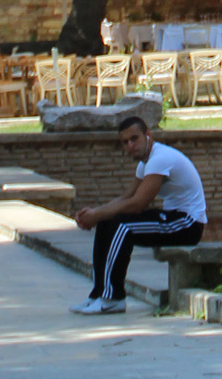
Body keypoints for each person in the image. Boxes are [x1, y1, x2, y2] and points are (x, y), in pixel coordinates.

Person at [72, 114, 206, 313]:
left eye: (134, 139)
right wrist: (96, 214)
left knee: (123, 226)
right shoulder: (145, 163)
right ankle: (98, 294)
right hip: (173, 218)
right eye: (125, 142)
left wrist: (97, 214)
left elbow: (137, 205)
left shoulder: (160, 159)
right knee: (107, 223)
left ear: (148, 135)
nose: (130, 146)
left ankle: (113, 298)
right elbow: (126, 197)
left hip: (188, 224)